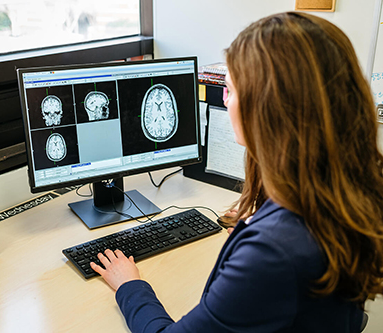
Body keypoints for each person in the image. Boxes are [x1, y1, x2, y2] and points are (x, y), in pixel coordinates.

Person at [90, 11, 383, 332]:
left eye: (228, 90)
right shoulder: (345, 191)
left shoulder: (273, 253)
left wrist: (129, 286)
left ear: (264, 108)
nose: (225, 101)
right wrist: (257, 229)